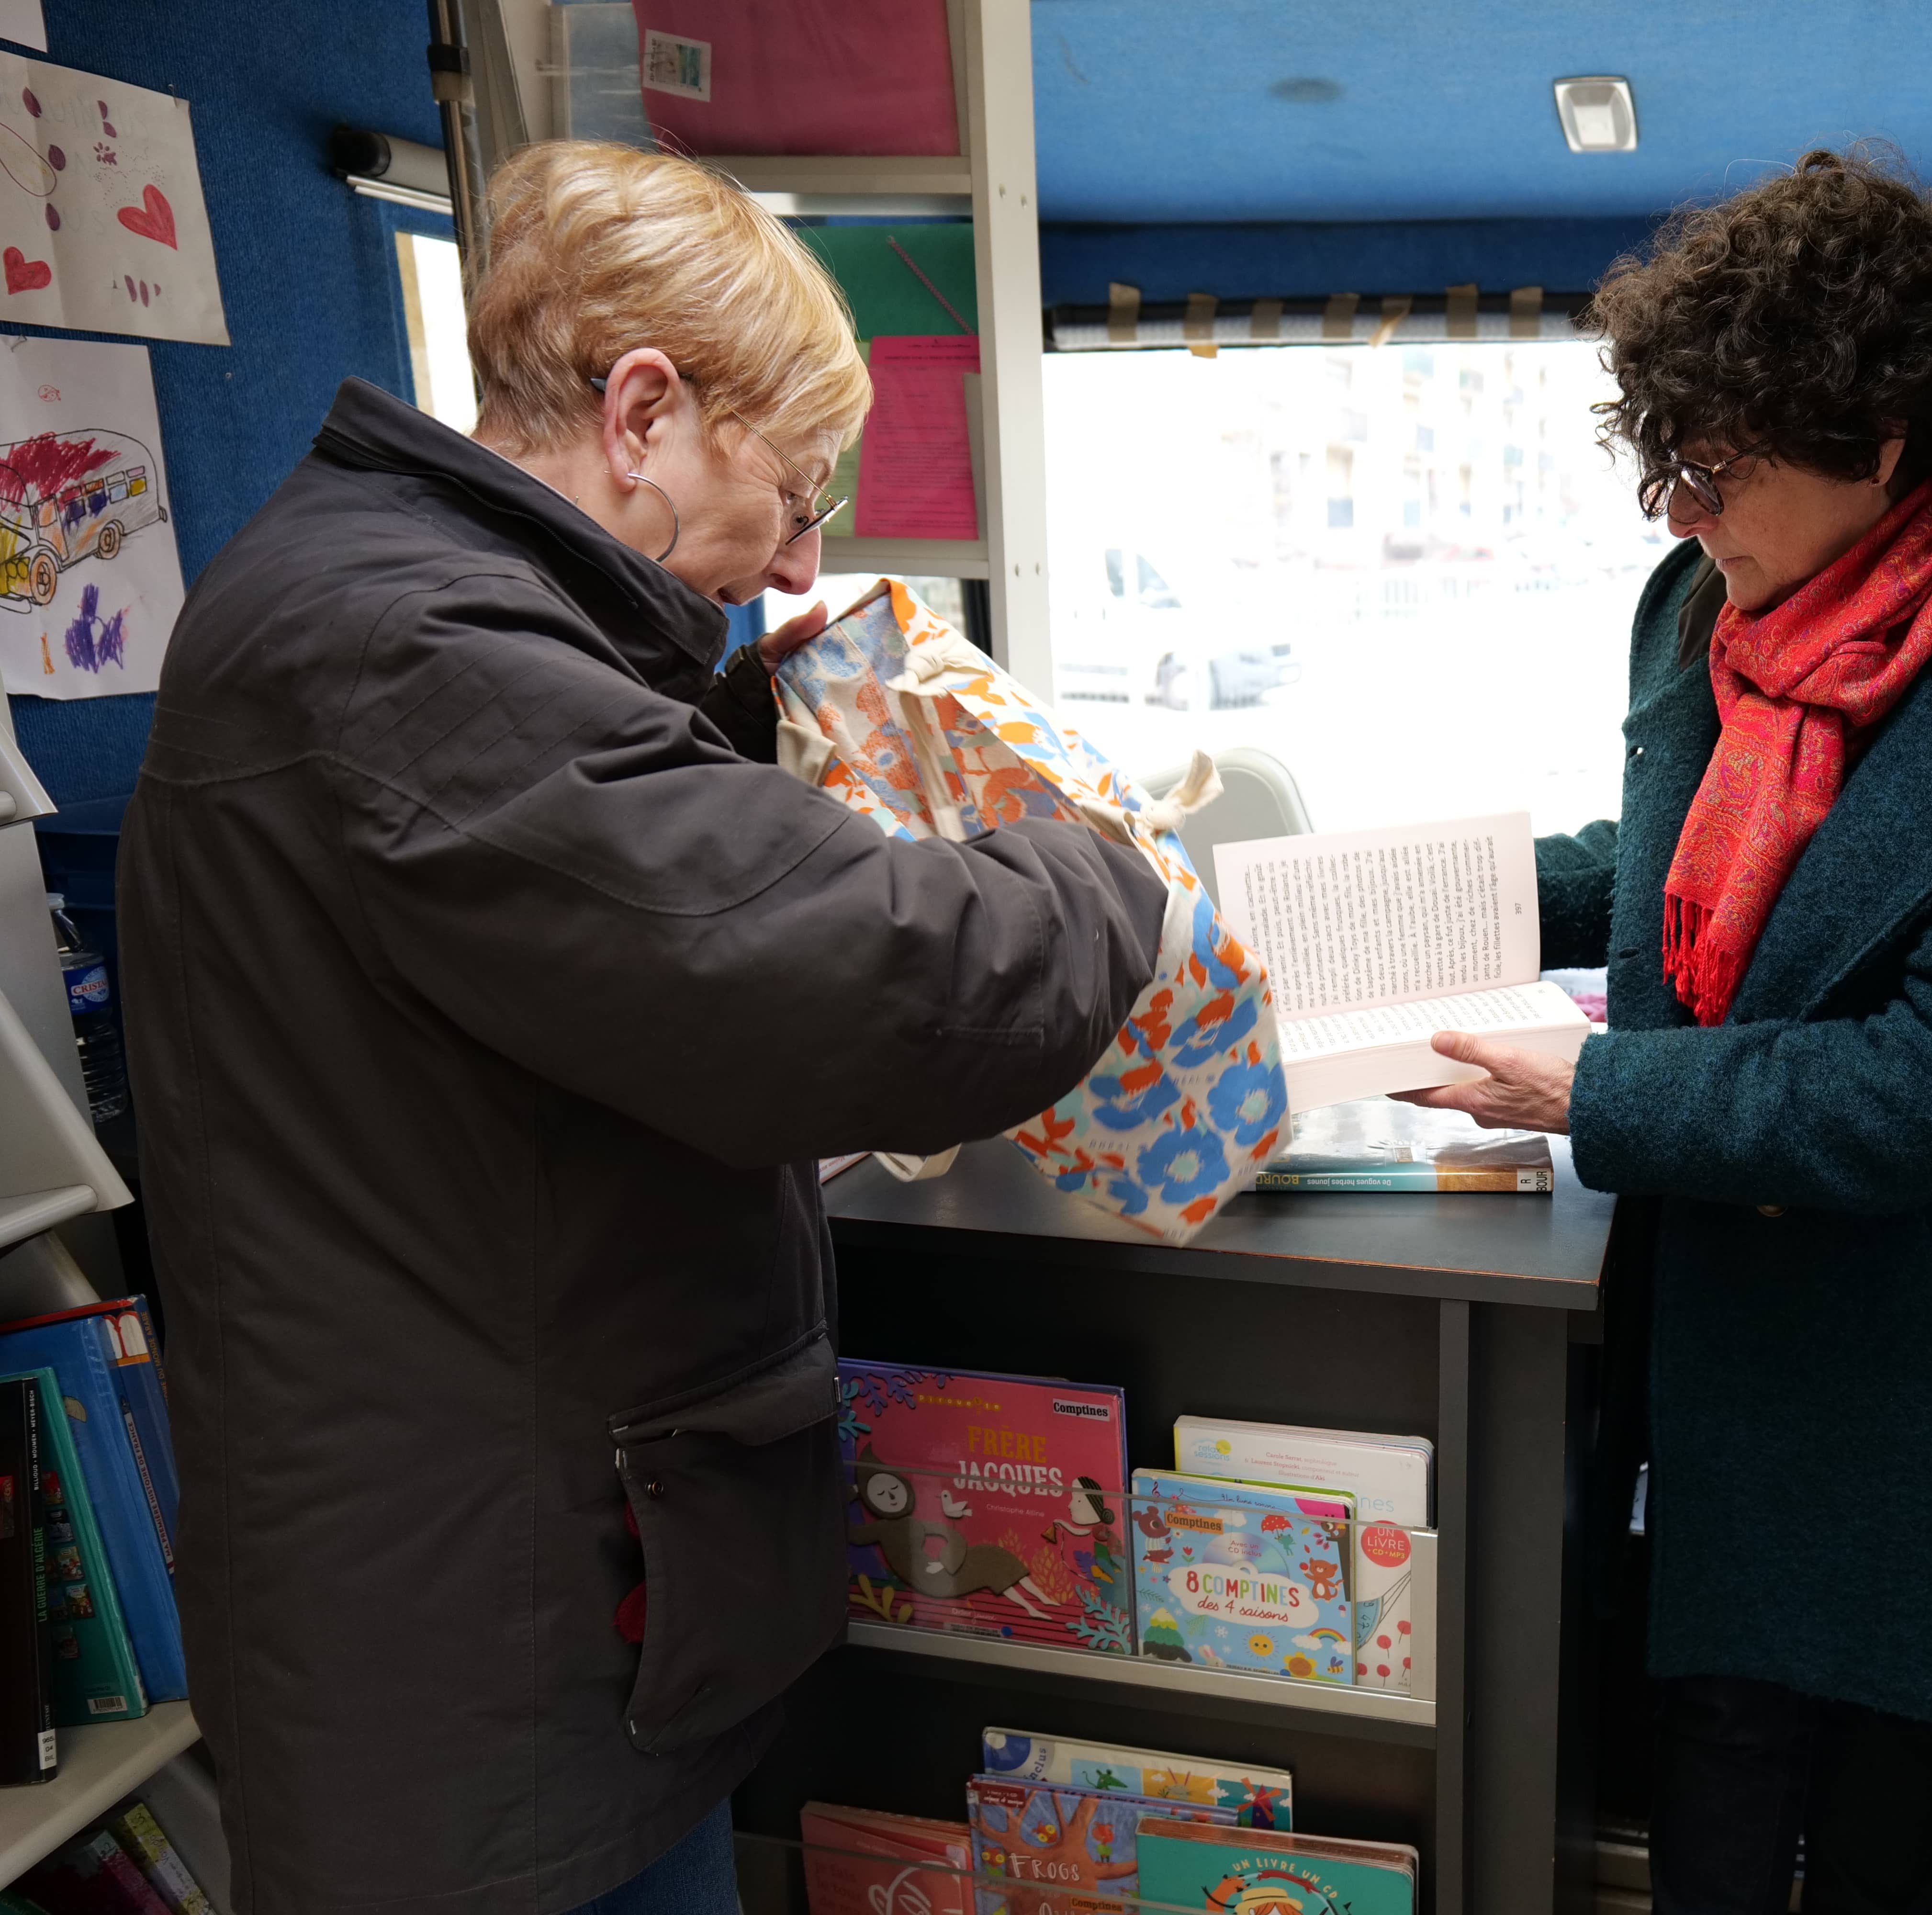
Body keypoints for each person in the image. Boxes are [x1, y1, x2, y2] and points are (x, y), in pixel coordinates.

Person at [115, 141, 1167, 1913]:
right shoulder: (412, 648)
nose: (801, 556)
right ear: (645, 410)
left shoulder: (398, 601)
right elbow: (871, 988)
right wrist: (1100, 864)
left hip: (494, 1590)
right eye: (800, 488)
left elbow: (581, 901)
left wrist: (751, 723)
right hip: (474, 1654)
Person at [1406, 149, 1932, 1914]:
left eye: (1714, 471)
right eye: (1667, 468)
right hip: (1746, 1297)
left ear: (1881, 446)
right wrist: (1427, 899)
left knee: (1872, 1778)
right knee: (1711, 1722)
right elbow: (1686, 873)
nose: (1683, 515)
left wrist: (1601, 1087)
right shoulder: (1746, 602)